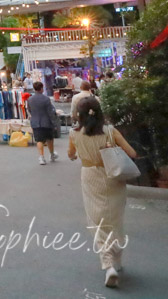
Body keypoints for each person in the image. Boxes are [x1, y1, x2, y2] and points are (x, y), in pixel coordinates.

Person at [68, 98, 137, 288]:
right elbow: (132, 153)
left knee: (96, 221)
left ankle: (108, 266)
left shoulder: (74, 134)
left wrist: (79, 153)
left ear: (79, 115)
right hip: (113, 177)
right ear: (99, 112)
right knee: (115, 220)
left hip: (90, 177)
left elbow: (71, 155)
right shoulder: (110, 131)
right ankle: (118, 259)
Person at [28, 82, 58, 164]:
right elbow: (50, 112)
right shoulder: (46, 99)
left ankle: (41, 157)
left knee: (39, 140)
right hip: (46, 122)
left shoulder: (30, 99)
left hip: (35, 122)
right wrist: (54, 123)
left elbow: (29, 110)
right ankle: (52, 154)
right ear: (41, 88)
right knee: (49, 139)